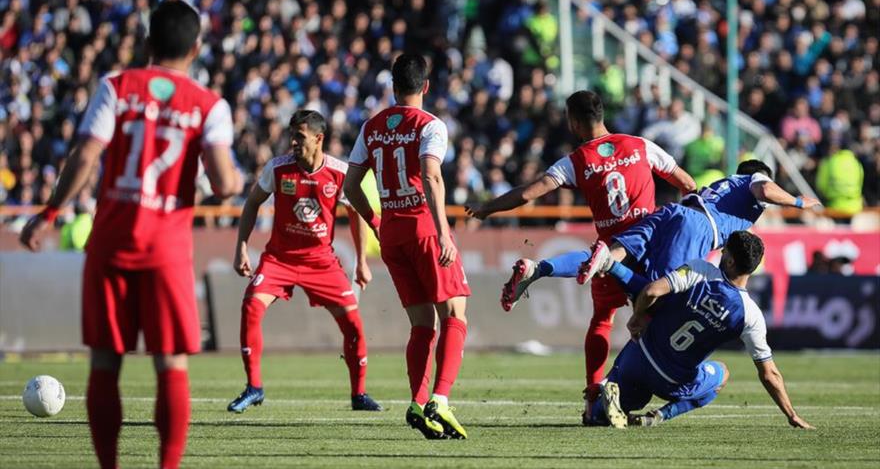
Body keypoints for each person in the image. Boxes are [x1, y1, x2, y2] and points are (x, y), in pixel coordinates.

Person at [19, 0, 241, 469]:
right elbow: (224, 184)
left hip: (111, 243)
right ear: (196, 48)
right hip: (167, 250)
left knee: (105, 362)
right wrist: (231, 177)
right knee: (170, 363)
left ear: (147, 43)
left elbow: (85, 155)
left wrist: (50, 212)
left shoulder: (116, 87)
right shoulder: (209, 105)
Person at [465, 90, 696, 423]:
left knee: (602, 320)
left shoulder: (576, 161)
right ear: (602, 114)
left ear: (573, 122)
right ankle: (642, 387)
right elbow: (687, 183)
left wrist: (487, 208)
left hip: (609, 254)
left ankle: (592, 401)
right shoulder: (640, 145)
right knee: (656, 322)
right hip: (651, 252)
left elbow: (529, 193)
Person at [343, 54, 471, 440]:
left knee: (421, 324)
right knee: (455, 314)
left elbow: (350, 186)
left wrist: (376, 222)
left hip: (392, 234)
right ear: (426, 86)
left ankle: (417, 401)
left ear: (393, 86)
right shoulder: (431, 125)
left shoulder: (372, 127)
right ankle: (440, 401)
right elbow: (431, 176)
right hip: (424, 229)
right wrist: (444, 233)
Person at [227, 110, 382, 414]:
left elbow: (355, 214)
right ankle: (254, 387)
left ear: (318, 138)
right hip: (279, 259)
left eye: (299, 136)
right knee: (251, 306)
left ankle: (359, 394)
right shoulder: (278, 168)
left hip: (321, 262)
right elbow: (252, 202)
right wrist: (241, 247)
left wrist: (361, 262)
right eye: (292, 136)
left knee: (353, 324)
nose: (293, 142)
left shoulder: (339, 172)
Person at [587, 231, 814, 430]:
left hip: (639, 356)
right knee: (722, 372)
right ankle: (660, 415)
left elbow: (651, 291)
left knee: (600, 416)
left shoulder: (701, 270)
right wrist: (791, 415)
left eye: (725, 250)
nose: (721, 252)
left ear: (731, 261)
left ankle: (601, 403)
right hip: (671, 380)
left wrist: (637, 317)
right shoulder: (751, 315)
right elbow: (769, 374)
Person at [579, 159, 822, 287]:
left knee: (616, 253)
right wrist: (797, 202)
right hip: (698, 227)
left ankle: (602, 260)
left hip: (675, 211)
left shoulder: (724, 184)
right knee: (663, 293)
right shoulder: (755, 179)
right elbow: (765, 189)